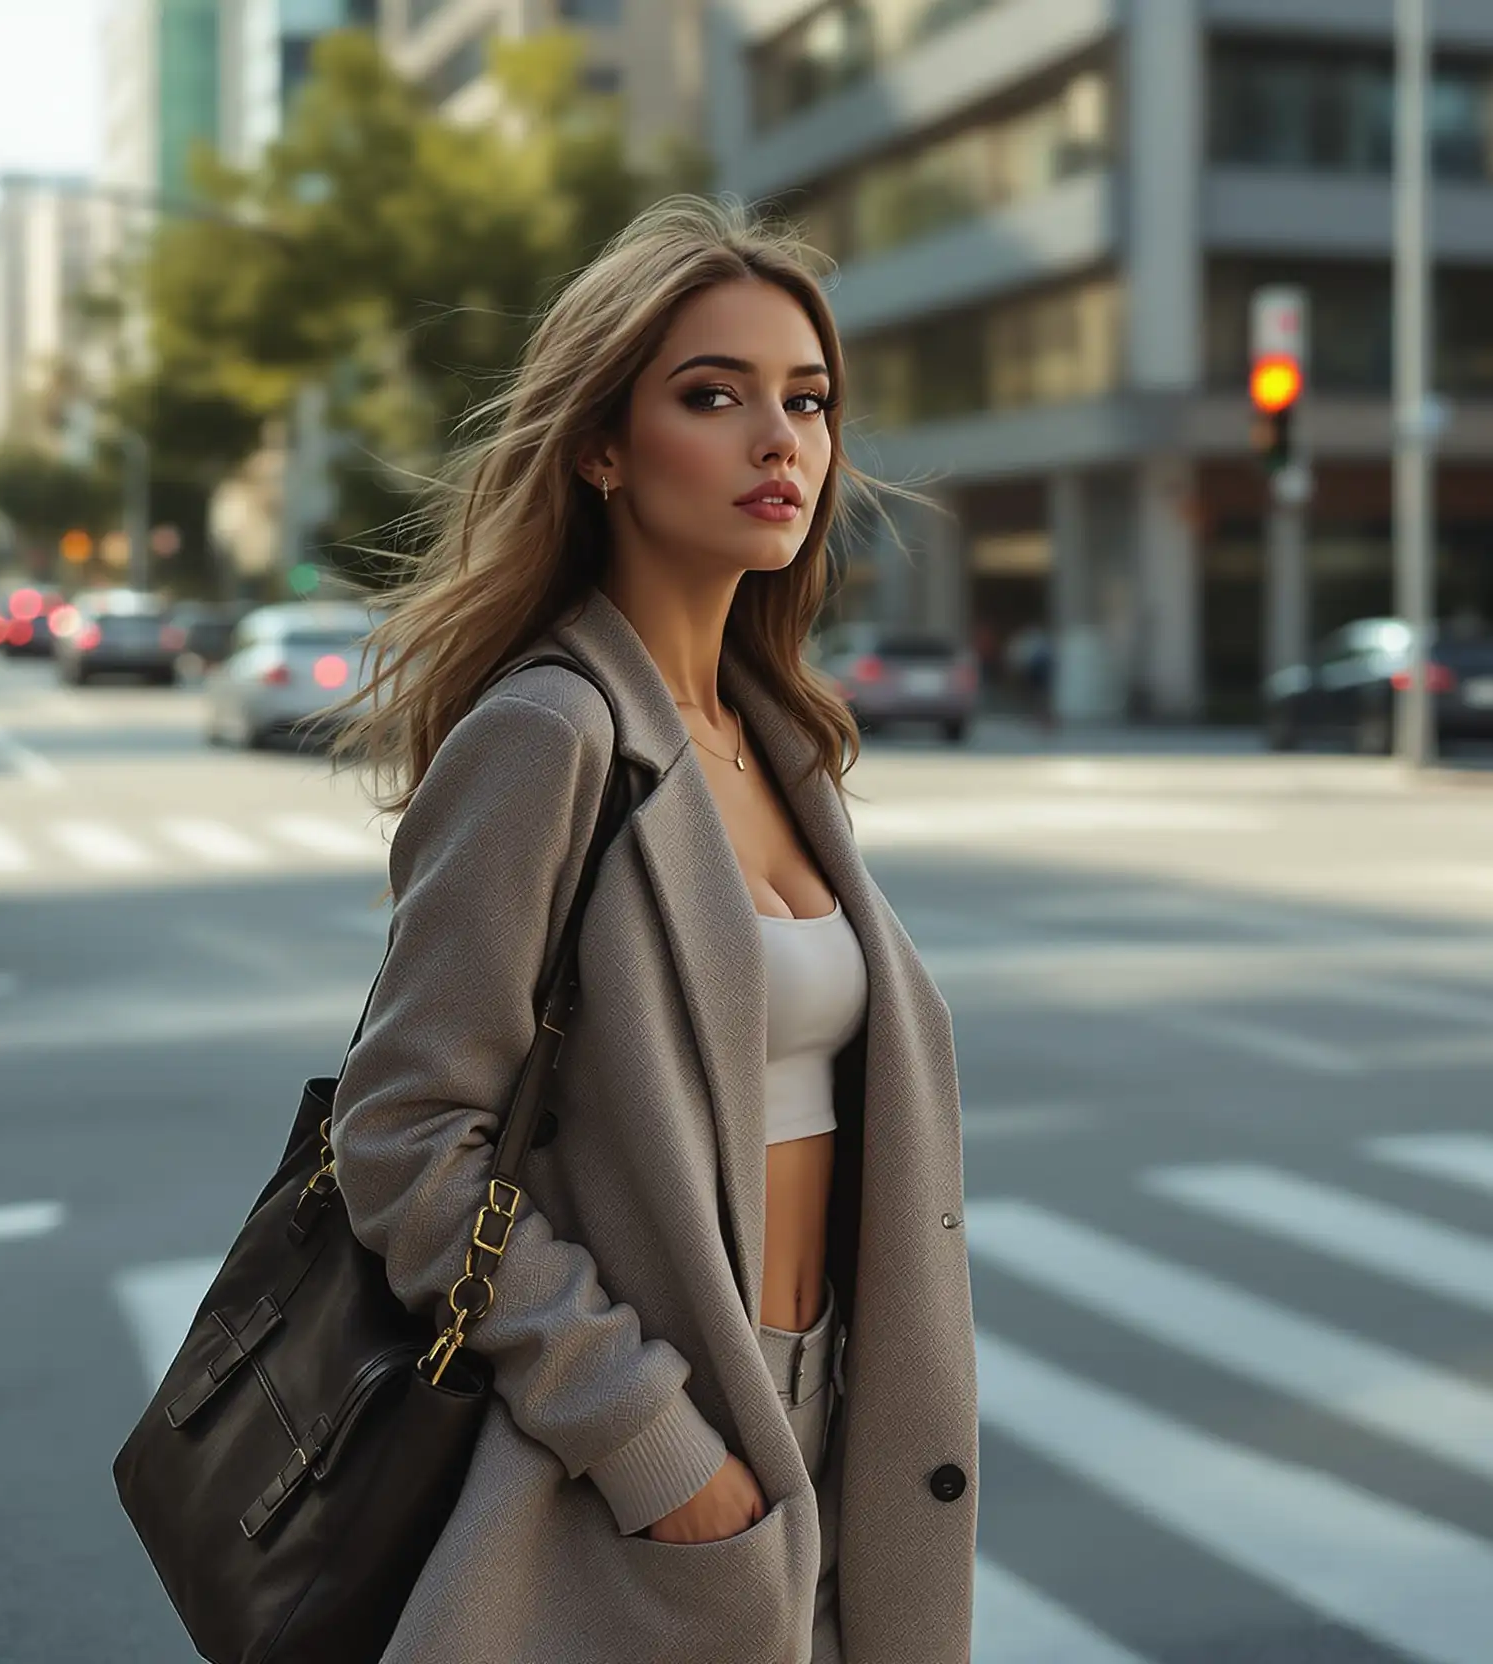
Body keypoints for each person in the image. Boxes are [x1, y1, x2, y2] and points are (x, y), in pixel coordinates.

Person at [324, 198, 977, 1664]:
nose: (780, 441)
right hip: (641, 1448)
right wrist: (651, 1442)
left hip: (837, 1421)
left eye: (806, 401)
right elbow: (406, 1136)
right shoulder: (550, 734)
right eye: (713, 395)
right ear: (602, 449)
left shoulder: (777, 745)